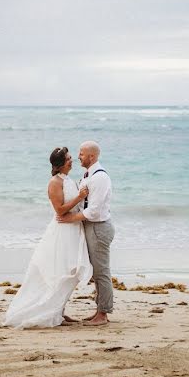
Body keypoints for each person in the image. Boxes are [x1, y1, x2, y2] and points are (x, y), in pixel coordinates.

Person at [3, 147, 93, 328]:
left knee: (71, 273)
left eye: (70, 158)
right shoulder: (54, 182)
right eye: (68, 159)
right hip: (62, 232)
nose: (71, 160)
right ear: (59, 164)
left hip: (74, 230)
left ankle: (58, 310)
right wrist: (79, 197)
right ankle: (51, 312)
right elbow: (59, 210)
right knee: (61, 271)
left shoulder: (69, 180)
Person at [56, 140, 114, 326]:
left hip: (98, 228)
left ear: (92, 156)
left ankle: (103, 314)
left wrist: (68, 219)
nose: (78, 156)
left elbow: (94, 211)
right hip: (91, 227)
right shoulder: (89, 174)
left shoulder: (100, 178)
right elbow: (84, 204)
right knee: (97, 272)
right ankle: (99, 310)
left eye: (81, 153)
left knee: (101, 271)